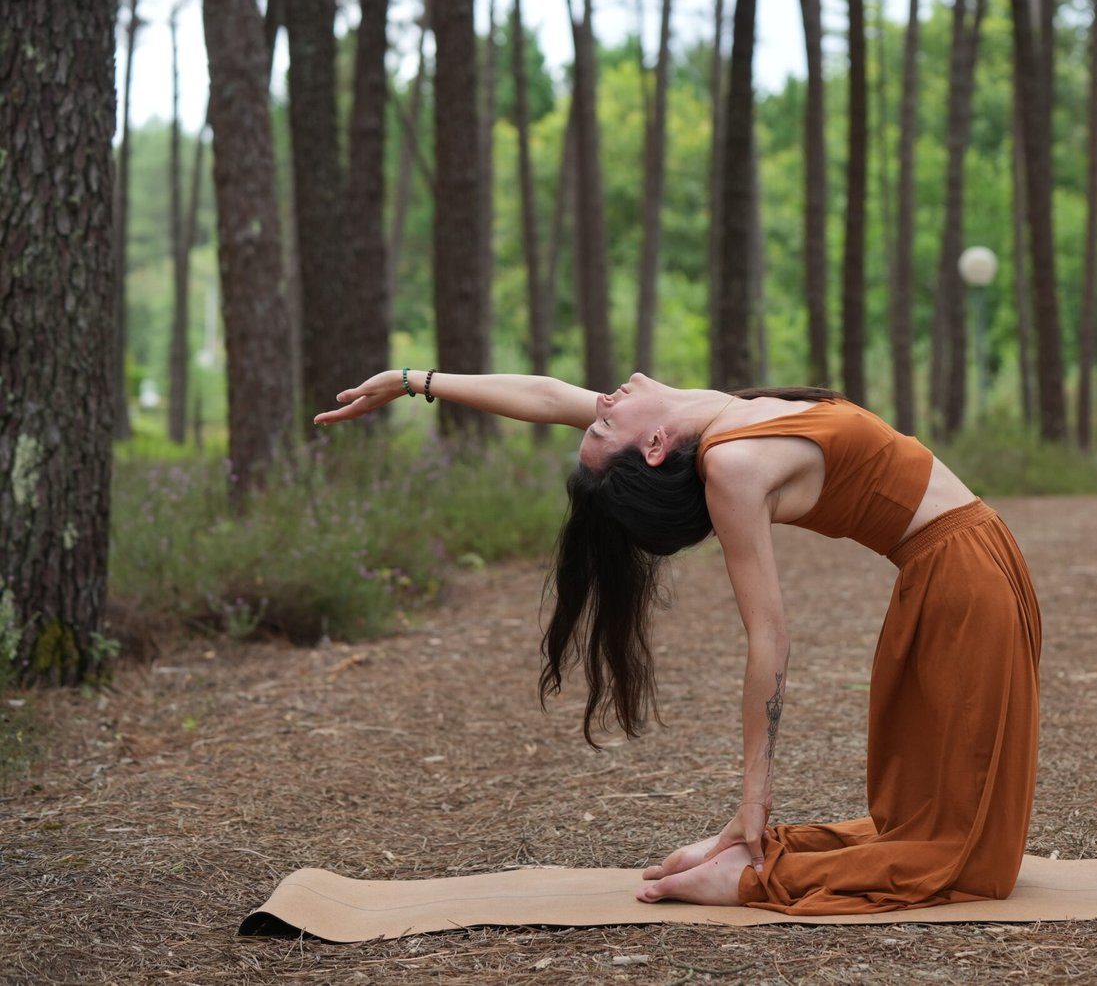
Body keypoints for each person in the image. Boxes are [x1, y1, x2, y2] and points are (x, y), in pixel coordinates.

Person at [315, 369, 1041, 914]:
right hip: (957, 579)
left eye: (599, 419)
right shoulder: (727, 462)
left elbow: (547, 396)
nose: (601, 405)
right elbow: (769, 638)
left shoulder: (697, 417)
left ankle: (745, 860)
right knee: (958, 854)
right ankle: (750, 867)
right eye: (604, 424)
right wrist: (751, 806)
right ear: (654, 446)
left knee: (950, 835)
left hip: (964, 569)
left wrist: (419, 382)